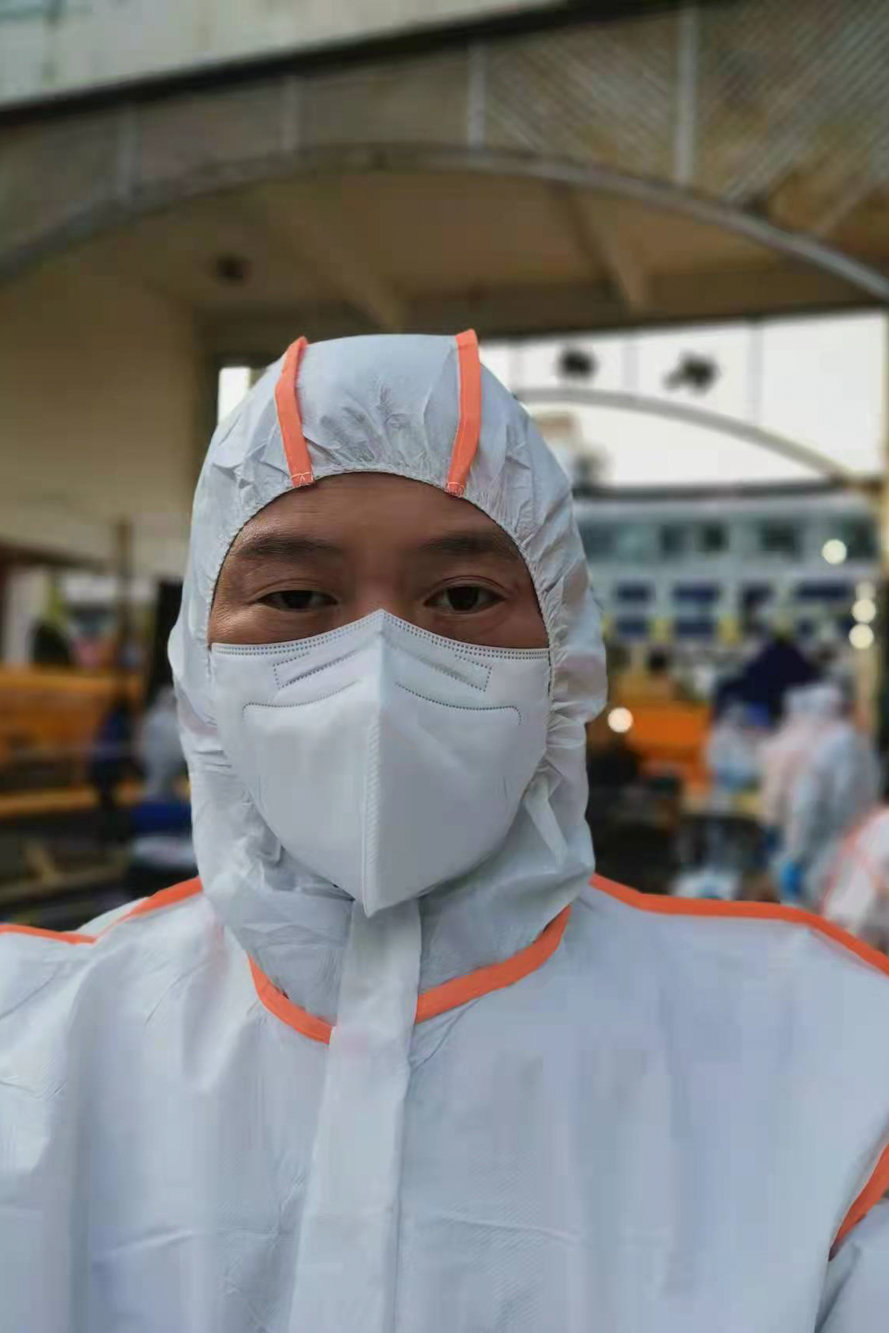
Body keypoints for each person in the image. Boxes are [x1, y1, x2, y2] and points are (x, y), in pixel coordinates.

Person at [1, 332, 889, 1332]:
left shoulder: (824, 1069)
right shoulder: (30, 1055)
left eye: (462, 597)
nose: (377, 674)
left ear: (563, 655)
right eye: (296, 598)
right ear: (200, 660)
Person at [776, 681, 880, 906]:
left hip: (822, 856)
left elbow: (806, 807)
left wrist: (796, 856)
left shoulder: (825, 749)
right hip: (858, 853)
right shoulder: (861, 745)